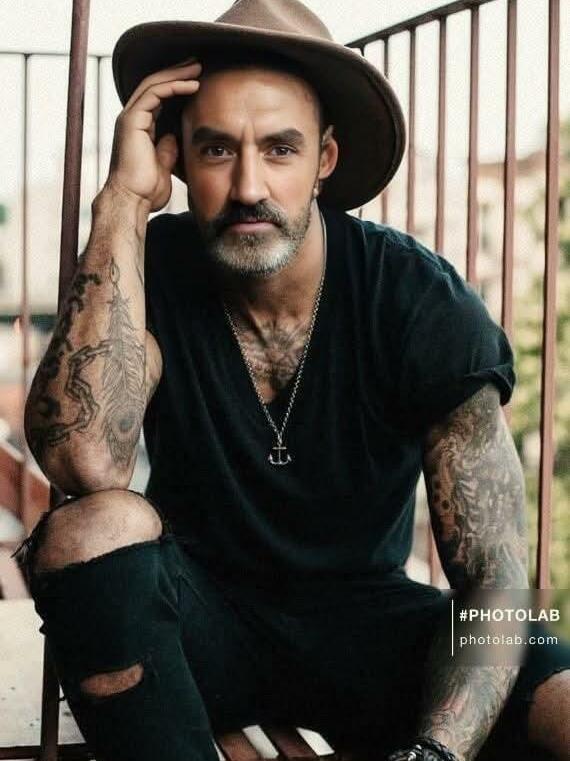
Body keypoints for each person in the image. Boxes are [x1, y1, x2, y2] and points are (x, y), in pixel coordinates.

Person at [15, 1, 569, 760]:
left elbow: (494, 582)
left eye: (280, 149)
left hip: (371, 630)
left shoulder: (417, 299)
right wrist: (122, 202)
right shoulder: (148, 270)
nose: (249, 186)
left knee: (553, 684)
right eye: (216, 149)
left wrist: (435, 751)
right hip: (198, 626)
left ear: (324, 160)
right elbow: (83, 464)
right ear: (178, 159)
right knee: (89, 527)